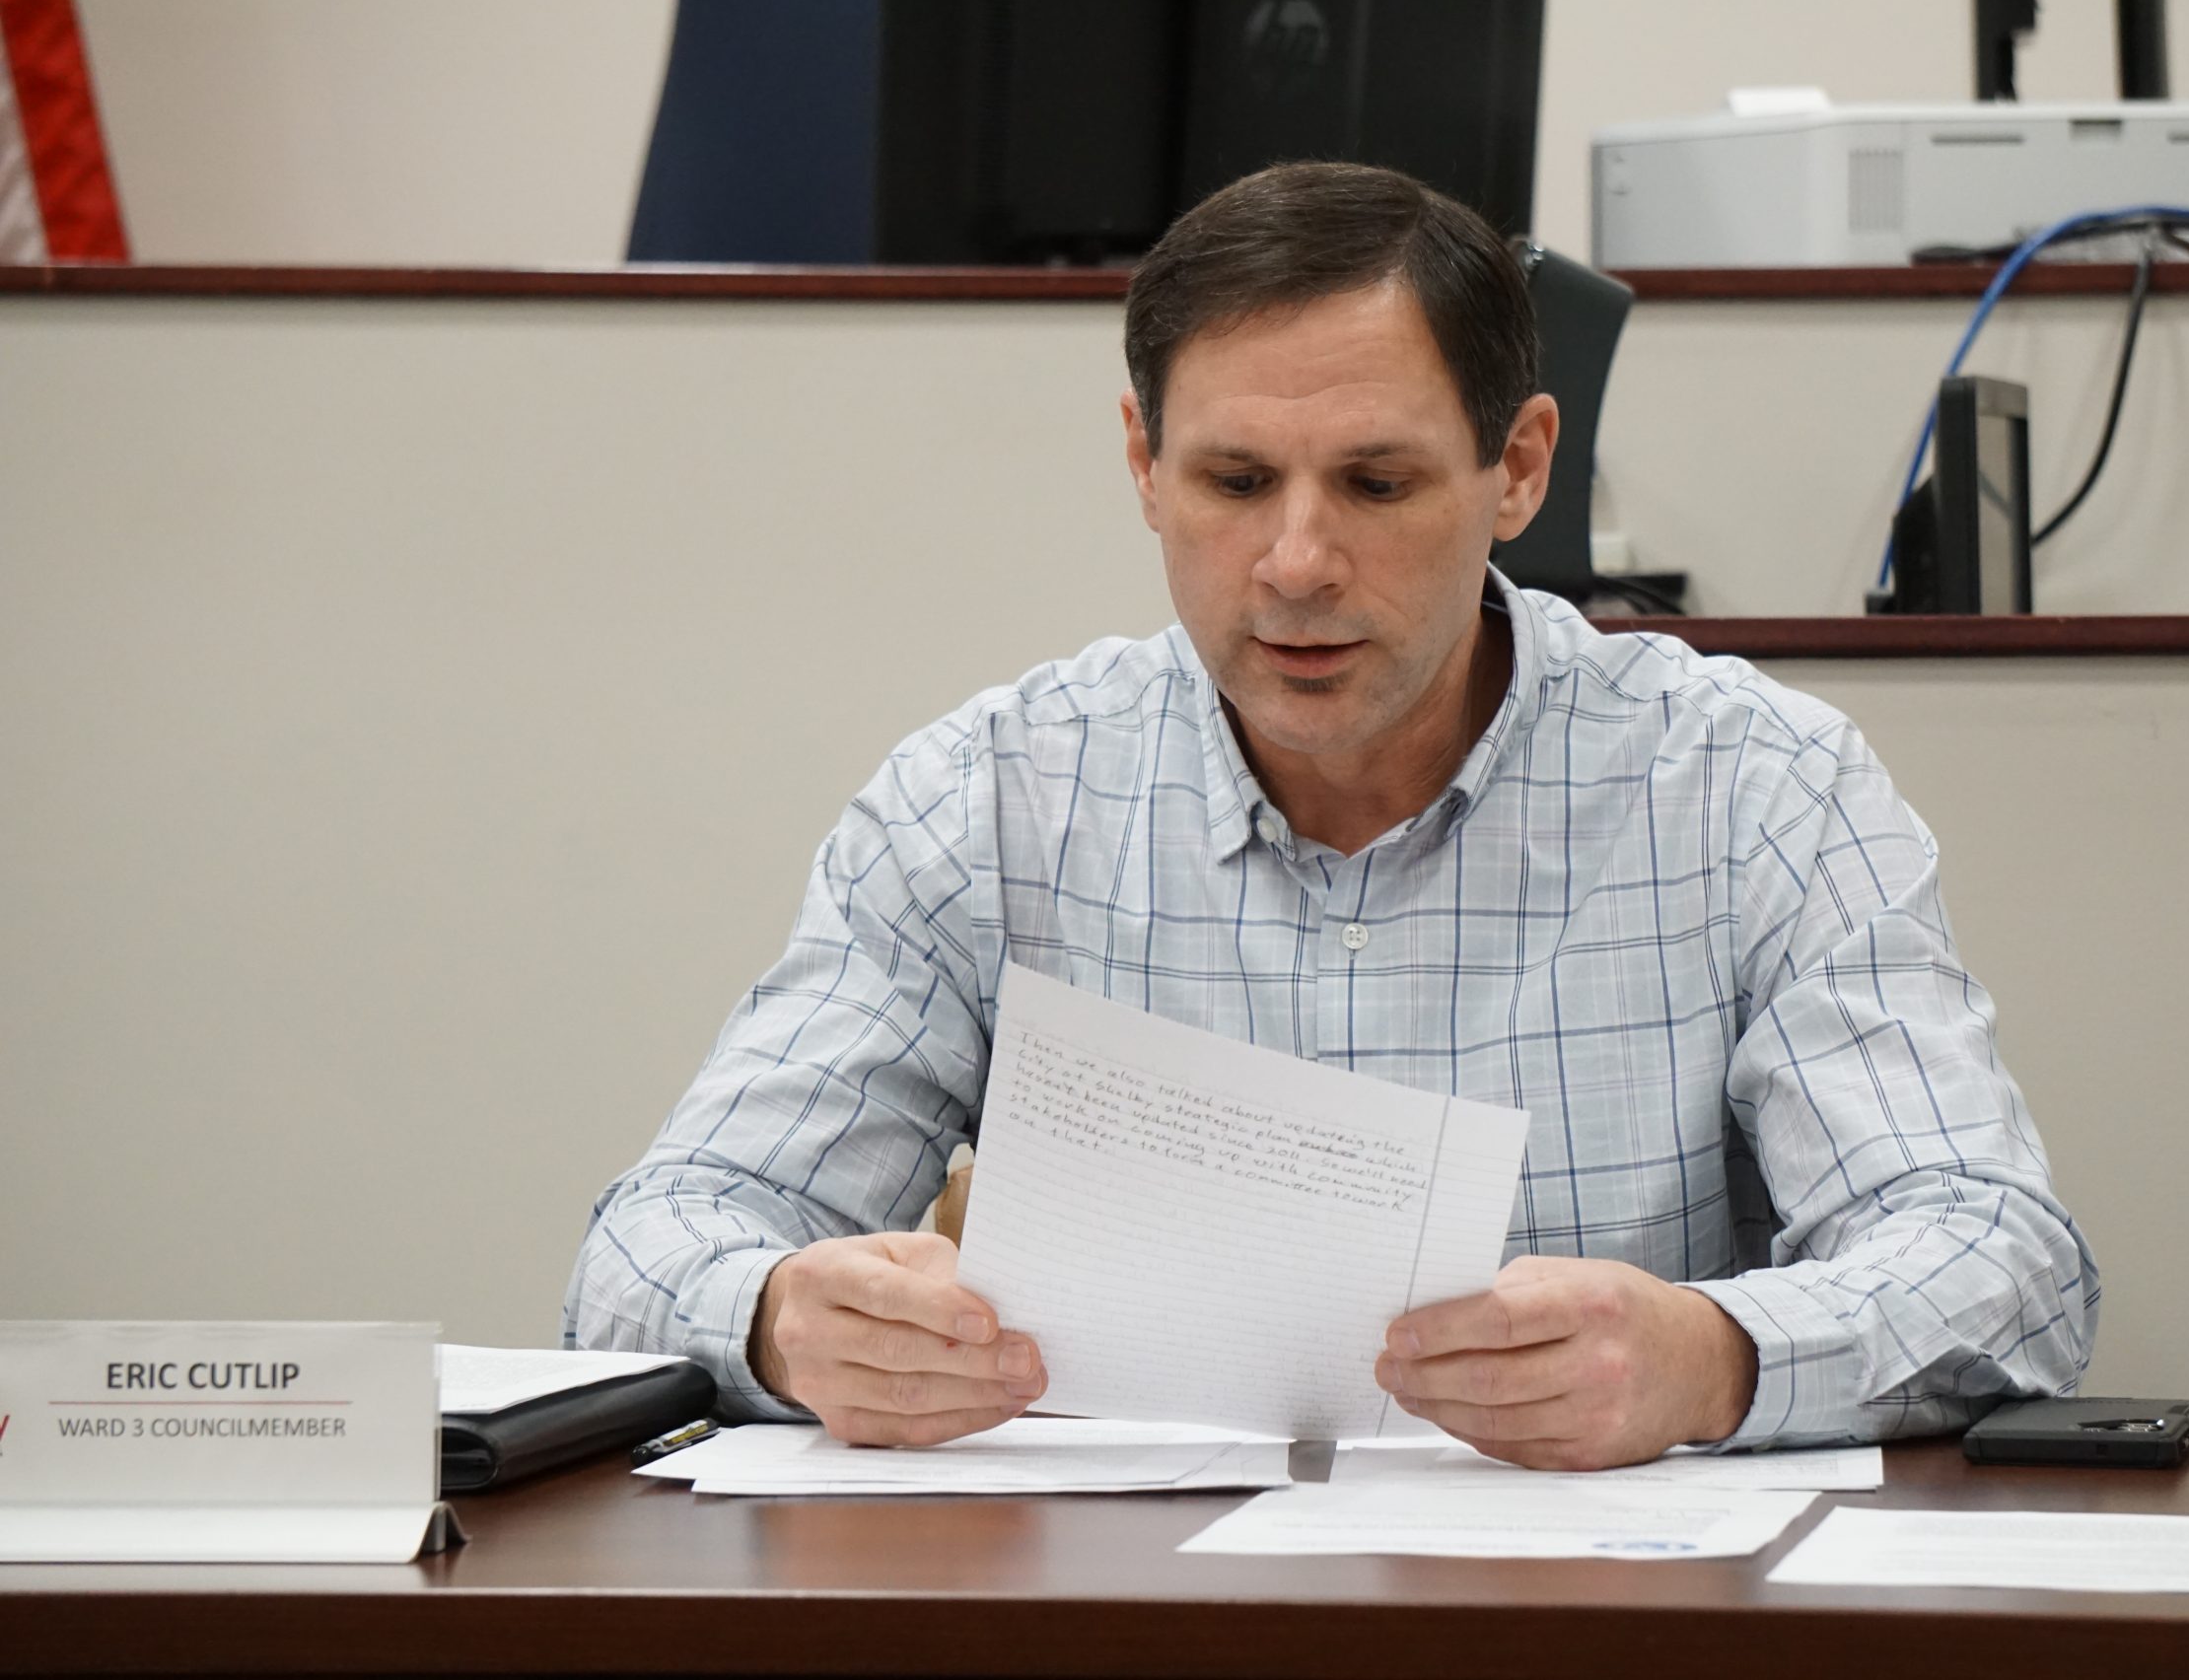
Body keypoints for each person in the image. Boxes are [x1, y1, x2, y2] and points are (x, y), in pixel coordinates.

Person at [565, 162, 2099, 1470]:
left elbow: (1999, 1254)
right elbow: (650, 1245)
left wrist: (1717, 1360)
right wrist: (782, 1320)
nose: (1297, 563)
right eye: (1235, 481)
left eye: (1375, 484)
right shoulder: (989, 799)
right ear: (1144, 466)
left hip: (1598, 1625)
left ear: (1518, 468)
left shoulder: (1753, 786)